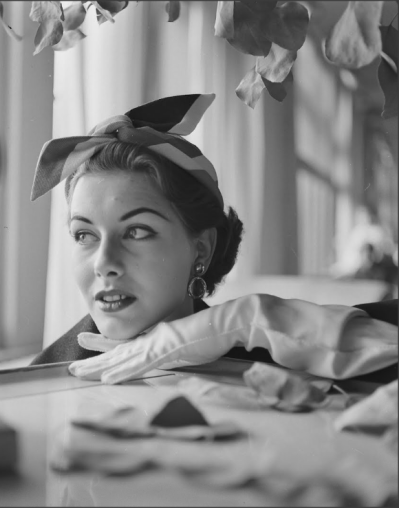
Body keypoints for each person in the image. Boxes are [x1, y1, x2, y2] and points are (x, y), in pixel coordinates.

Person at [29, 94, 398, 385]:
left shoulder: (267, 347)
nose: (104, 263)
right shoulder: (35, 381)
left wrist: (243, 320)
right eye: (84, 235)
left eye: (137, 231)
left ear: (200, 249)